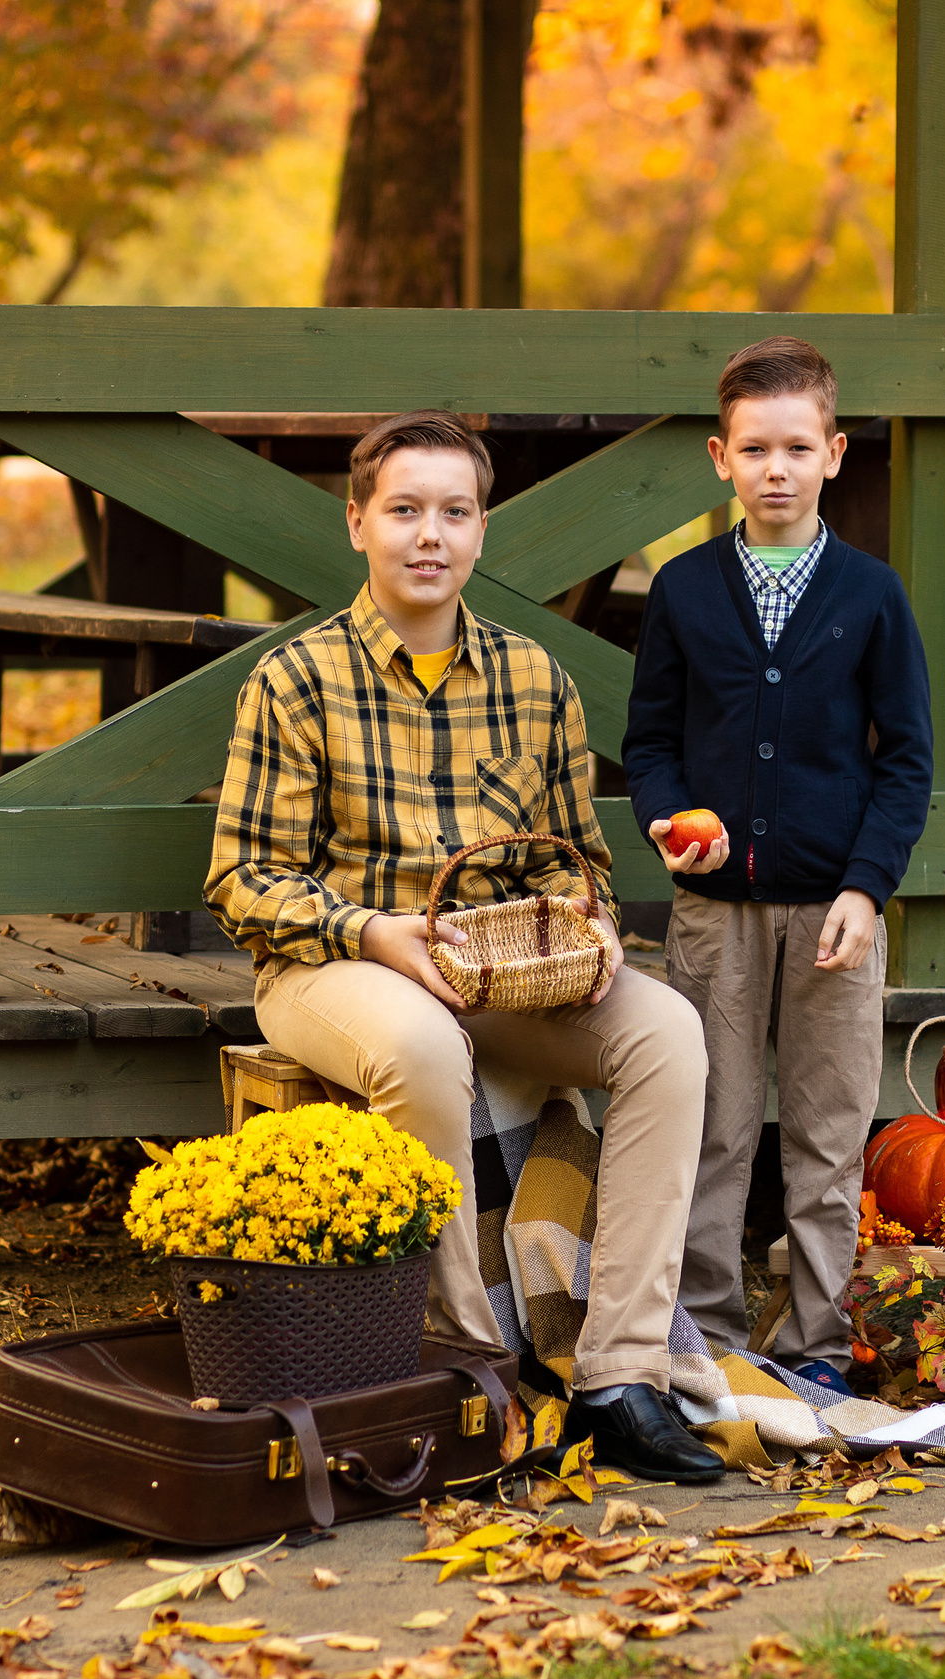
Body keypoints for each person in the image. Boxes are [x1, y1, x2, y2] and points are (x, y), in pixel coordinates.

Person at [206, 409, 723, 1482]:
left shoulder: (533, 680)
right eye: (403, 510)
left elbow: (570, 859)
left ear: (482, 531)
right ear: (358, 525)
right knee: (425, 1049)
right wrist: (371, 934)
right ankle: (469, 1369)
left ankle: (622, 1373)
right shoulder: (297, 681)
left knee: (667, 1034)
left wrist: (587, 921)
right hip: (332, 966)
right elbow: (242, 879)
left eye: (453, 511)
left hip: (500, 966)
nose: (427, 534)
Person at [622, 336, 935, 1401]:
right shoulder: (682, 589)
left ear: (834, 454)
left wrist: (865, 885)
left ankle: (812, 1342)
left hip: (836, 912)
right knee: (708, 1124)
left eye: (797, 447)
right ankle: (704, 1335)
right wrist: (667, 820)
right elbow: (652, 742)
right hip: (713, 914)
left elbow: (908, 761)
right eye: (754, 448)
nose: (775, 468)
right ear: (719, 456)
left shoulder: (871, 595)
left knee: (826, 1131)